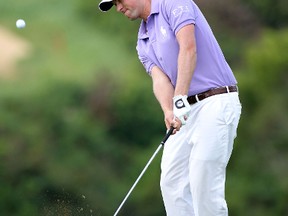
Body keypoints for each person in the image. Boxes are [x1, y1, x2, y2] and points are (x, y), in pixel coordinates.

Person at [98, 0, 242, 215]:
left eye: (119, 0)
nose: (118, 8)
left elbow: (188, 48)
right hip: (184, 110)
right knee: (171, 182)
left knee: (203, 180)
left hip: (215, 101)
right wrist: (168, 109)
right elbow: (160, 80)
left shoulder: (173, 3)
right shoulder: (142, 41)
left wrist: (180, 97)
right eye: (114, 5)